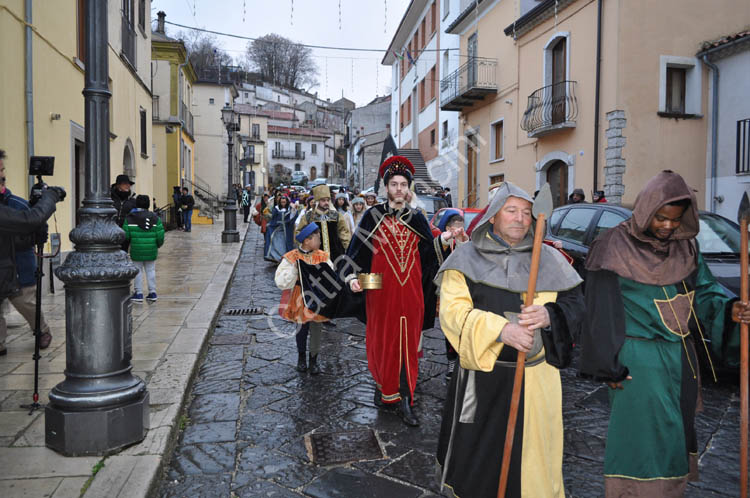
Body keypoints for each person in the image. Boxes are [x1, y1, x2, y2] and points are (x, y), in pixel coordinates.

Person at [578, 170, 750, 497]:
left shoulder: (686, 249)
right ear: (645, 210)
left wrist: (730, 310)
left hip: (679, 359)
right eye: (661, 217)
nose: (668, 226)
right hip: (635, 360)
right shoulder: (613, 245)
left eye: (675, 219)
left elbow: (705, 294)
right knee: (640, 441)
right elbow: (599, 312)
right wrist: (607, 366)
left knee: (674, 435)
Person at [435, 181, 584, 498]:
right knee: (481, 463)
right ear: (493, 217)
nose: (520, 218)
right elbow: (452, 313)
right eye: (511, 211)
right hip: (484, 379)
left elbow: (577, 307)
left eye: (527, 212)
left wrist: (550, 315)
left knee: (535, 459)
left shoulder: (549, 259)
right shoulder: (464, 260)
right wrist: (501, 330)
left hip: (537, 378)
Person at [343, 156, 440, 427]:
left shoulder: (418, 218)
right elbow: (356, 254)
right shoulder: (373, 216)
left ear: (409, 188)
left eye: (403, 184)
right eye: (394, 184)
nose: (398, 188)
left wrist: (445, 244)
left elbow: (430, 258)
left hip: (411, 295)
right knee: (383, 344)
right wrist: (357, 280)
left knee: (408, 348)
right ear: (386, 187)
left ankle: (405, 400)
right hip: (381, 294)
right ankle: (385, 390)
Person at [0, 149, 65, 355]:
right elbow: (32, 220)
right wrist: (51, 196)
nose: (3, 176)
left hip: (18, 265)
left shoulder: (17, 204)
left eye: (3, 170)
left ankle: (41, 330)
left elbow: (34, 228)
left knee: (25, 302)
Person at [275, 223, 337, 375]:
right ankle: (301, 358)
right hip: (300, 296)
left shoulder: (322, 256)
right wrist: (295, 270)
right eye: (317, 238)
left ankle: (313, 360)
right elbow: (280, 282)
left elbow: (331, 277)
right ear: (307, 240)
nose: (320, 241)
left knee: (317, 328)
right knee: (301, 328)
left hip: (319, 297)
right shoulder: (291, 257)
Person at [432, 209, 468, 380]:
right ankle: (451, 362)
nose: (459, 230)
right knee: (449, 328)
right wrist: (448, 238)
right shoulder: (442, 242)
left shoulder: (466, 242)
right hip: (447, 293)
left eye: (461, 226)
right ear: (447, 227)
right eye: (455, 227)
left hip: (465, 293)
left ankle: (464, 360)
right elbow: (437, 253)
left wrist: (461, 240)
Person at [123, 195, 165, 303]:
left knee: (138, 271)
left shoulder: (129, 218)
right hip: (151, 249)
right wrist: (157, 245)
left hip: (136, 249)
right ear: (148, 204)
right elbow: (160, 236)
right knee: (150, 270)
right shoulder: (156, 218)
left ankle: (139, 293)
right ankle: (152, 292)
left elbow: (125, 236)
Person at [296, 185, 351, 262]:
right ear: (317, 201)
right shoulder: (308, 217)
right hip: (314, 256)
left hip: (336, 255)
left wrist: (348, 249)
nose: (326, 202)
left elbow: (344, 233)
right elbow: (299, 234)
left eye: (328, 200)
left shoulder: (336, 215)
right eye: (323, 200)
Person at [264, 195, 297, 263]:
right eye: (282, 202)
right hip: (277, 228)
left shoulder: (290, 209)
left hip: (287, 229)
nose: (283, 203)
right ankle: (277, 258)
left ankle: (286, 258)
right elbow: (273, 218)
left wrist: (294, 210)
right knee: (278, 244)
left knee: (287, 244)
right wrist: (271, 224)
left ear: (287, 202)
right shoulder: (276, 208)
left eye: (284, 202)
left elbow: (293, 217)